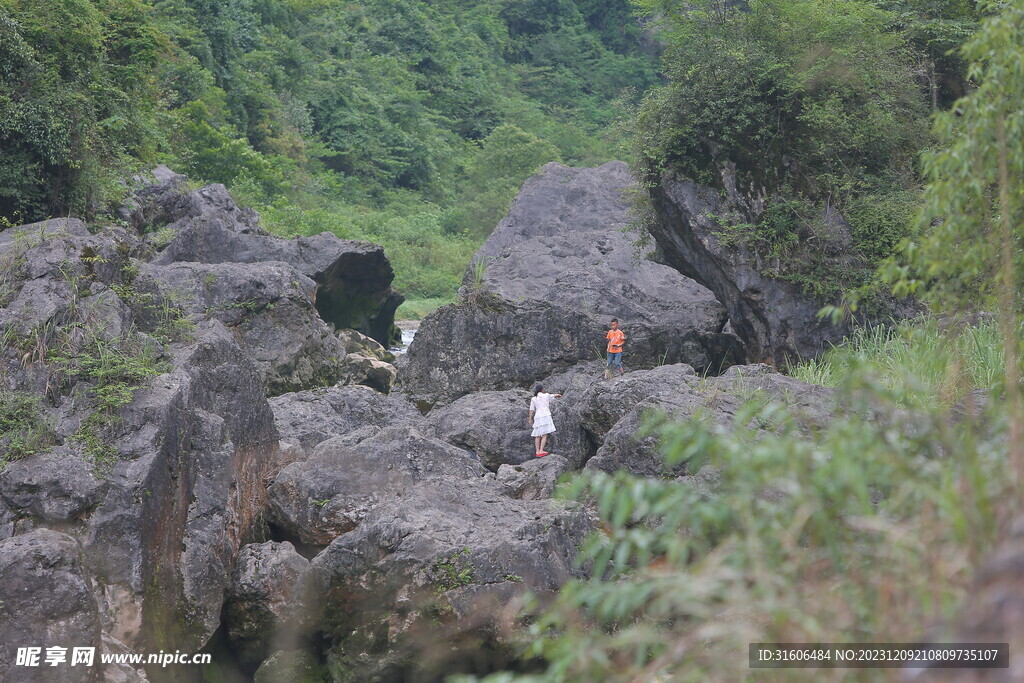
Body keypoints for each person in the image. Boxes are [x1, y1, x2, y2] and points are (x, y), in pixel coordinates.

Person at [528, 383, 561, 457]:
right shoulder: (546, 395)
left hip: (537, 416)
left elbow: (531, 409)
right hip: (545, 415)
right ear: (542, 389)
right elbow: (553, 395)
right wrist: (558, 395)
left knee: (537, 435)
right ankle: (541, 450)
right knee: (544, 434)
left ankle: (537, 451)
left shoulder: (533, 399)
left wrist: (530, 419)